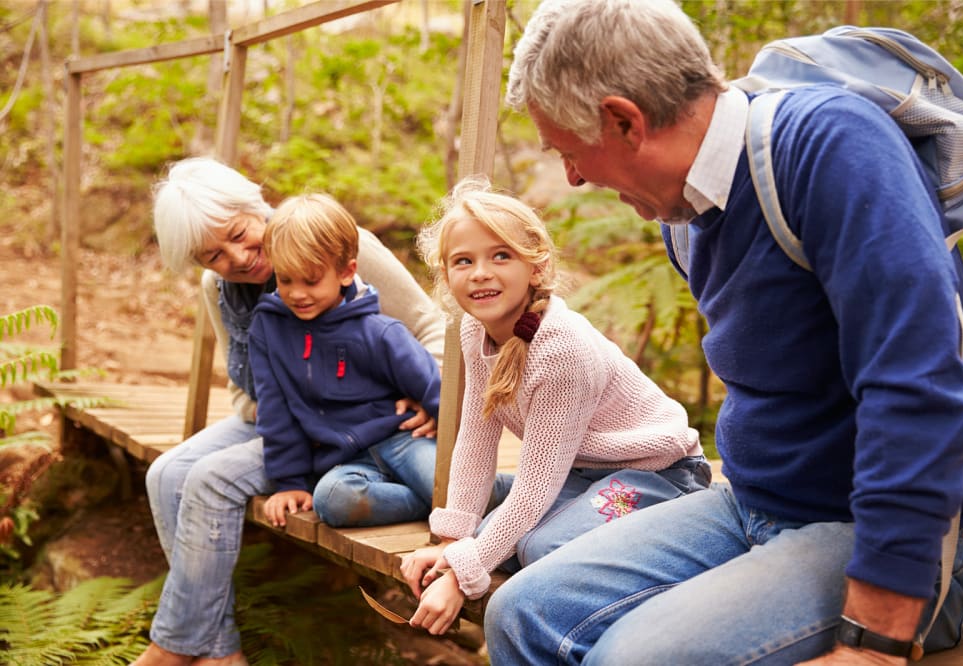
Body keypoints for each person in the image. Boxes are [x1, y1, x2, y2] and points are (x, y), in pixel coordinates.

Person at [485, 1, 963, 664]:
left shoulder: (829, 147)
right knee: (521, 614)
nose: (574, 178)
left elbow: (919, 388)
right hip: (756, 504)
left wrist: (874, 639)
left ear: (624, 120)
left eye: (570, 152)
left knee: (632, 659)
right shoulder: (683, 216)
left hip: (916, 539)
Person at [133, 156, 446, 666]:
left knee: (213, 479)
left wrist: (431, 399)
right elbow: (242, 387)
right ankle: (218, 651)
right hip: (277, 417)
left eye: (240, 233)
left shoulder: (337, 245)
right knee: (165, 473)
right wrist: (275, 409)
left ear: (254, 206)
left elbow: (430, 328)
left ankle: (175, 647)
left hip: (355, 419)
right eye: (213, 254)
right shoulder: (220, 288)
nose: (237, 257)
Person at [399, 176, 710, 636]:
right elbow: (475, 441)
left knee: (541, 550)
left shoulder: (561, 349)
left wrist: (459, 578)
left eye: (500, 255)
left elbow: (534, 488)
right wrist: (453, 541)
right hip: (582, 471)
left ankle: (673, 544)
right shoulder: (474, 329)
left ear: (536, 266)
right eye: (463, 261)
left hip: (659, 473)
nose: (480, 272)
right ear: (446, 276)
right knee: (499, 533)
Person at [249, 192, 440, 529]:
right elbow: (275, 409)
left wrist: (439, 416)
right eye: (285, 279)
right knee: (332, 501)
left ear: (346, 272)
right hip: (345, 460)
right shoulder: (269, 329)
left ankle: (481, 497)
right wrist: (290, 482)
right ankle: (434, 504)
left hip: (404, 441)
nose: (296, 293)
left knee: (448, 486)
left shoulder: (380, 332)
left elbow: (433, 386)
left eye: (310, 280)